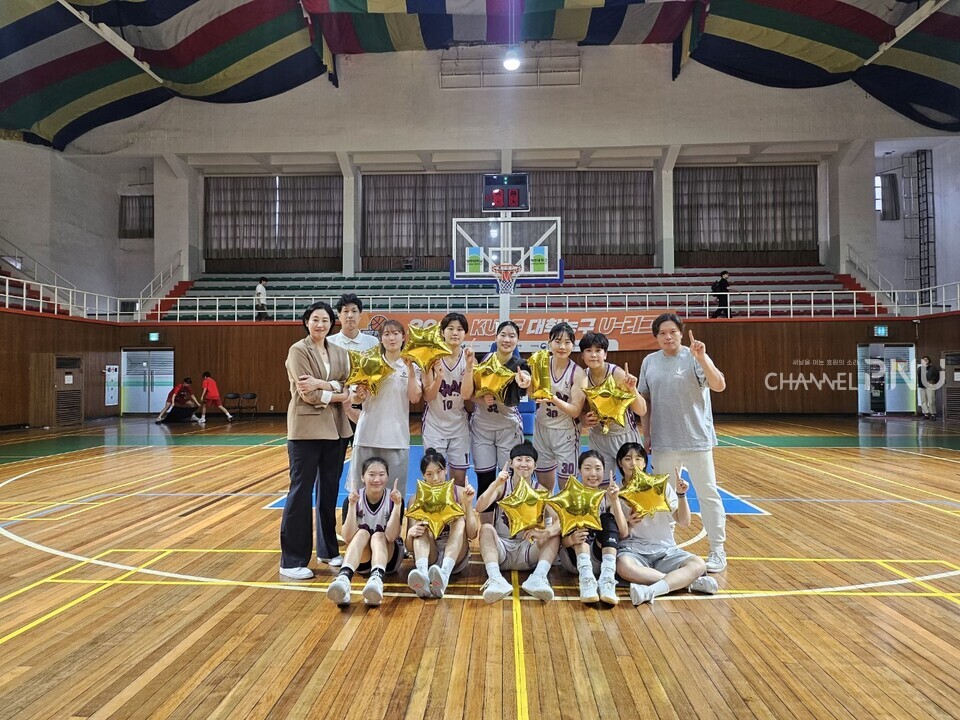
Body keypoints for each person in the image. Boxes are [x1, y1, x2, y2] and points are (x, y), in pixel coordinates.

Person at [638, 313, 728, 573]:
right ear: (656, 337)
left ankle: (717, 549)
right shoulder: (650, 362)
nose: (668, 336)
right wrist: (647, 435)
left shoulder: (695, 356)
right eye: (662, 333)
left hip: (695, 439)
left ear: (681, 333)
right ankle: (668, 547)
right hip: (664, 441)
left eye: (673, 332)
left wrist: (703, 358)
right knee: (664, 498)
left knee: (708, 494)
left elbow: (719, 385)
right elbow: (646, 401)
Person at [279, 301, 353, 581]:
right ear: (306, 322)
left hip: (336, 430)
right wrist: (336, 391)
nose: (320, 324)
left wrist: (325, 386)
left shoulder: (339, 351)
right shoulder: (298, 350)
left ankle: (327, 549)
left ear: (331, 323)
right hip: (306, 432)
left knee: (329, 492)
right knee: (300, 493)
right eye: (315, 319)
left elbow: (348, 385)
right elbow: (306, 393)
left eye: (325, 320)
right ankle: (292, 559)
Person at [614, 442, 719, 605]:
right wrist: (629, 524)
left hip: (665, 549)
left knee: (698, 564)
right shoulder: (616, 493)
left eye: (638, 458)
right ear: (620, 463)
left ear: (645, 463)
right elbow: (620, 534)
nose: (633, 463)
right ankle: (686, 583)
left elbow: (684, 521)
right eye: (628, 459)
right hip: (633, 550)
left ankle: (650, 591)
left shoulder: (661, 487)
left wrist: (681, 494)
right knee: (622, 566)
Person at [475, 442, 561, 603]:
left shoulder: (541, 491)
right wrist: (495, 484)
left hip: (528, 550)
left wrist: (546, 532)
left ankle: (538, 577)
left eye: (528, 460)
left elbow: (561, 520)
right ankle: (495, 579)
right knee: (486, 528)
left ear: (535, 465)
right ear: (512, 463)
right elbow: (479, 507)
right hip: (502, 549)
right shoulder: (502, 487)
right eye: (519, 459)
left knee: (554, 534)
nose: (523, 464)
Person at [347, 319, 422, 496]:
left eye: (396, 333)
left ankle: (393, 525)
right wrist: (359, 392)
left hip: (396, 440)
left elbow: (414, 398)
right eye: (386, 334)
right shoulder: (369, 362)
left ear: (403, 337)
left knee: (395, 496)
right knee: (359, 495)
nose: (391, 338)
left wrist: (410, 371)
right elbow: (354, 398)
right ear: (381, 339)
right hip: (367, 437)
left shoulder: (412, 367)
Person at [326, 457, 405, 606]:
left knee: (378, 535)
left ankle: (376, 580)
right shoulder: (353, 499)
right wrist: (351, 506)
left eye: (381, 474)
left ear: (387, 477)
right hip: (362, 560)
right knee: (362, 533)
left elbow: (391, 536)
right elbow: (348, 537)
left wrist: (397, 506)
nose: (377, 479)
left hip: (389, 558)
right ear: (362, 477)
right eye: (371, 474)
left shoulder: (394, 498)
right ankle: (344, 580)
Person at [554, 450, 626, 605]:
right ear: (579, 471)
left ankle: (607, 580)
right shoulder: (570, 496)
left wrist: (615, 501)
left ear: (604, 471)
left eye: (598, 469)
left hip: (600, 558)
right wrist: (572, 539)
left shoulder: (607, 497)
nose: (593, 473)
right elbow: (561, 541)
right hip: (574, 560)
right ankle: (586, 580)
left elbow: (623, 532)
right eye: (587, 468)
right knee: (580, 521)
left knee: (607, 519)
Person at [405, 448, 478, 599]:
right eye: (429, 474)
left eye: (439, 471)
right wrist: (411, 534)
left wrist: (468, 505)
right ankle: (423, 576)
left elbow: (472, 534)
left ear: (446, 470)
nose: (435, 478)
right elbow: (409, 547)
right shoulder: (416, 500)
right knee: (420, 526)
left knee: (458, 520)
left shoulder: (459, 493)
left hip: (456, 559)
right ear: (423, 476)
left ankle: (444, 574)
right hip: (430, 556)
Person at [471, 320, 531, 500]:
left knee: (510, 478)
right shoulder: (484, 361)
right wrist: (481, 398)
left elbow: (525, 378)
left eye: (512, 336)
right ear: (496, 338)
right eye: (503, 335)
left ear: (517, 340)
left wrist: (524, 380)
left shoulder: (521, 364)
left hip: (508, 428)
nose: (506, 339)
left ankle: (508, 522)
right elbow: (470, 393)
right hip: (482, 428)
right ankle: (487, 524)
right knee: (485, 478)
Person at [578, 331, 647, 475]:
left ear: (605, 354)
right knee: (599, 482)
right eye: (588, 351)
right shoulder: (582, 377)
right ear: (582, 355)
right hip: (598, 436)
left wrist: (632, 389)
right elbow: (581, 411)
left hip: (624, 436)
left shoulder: (618, 374)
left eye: (598, 350)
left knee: (633, 482)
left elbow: (641, 411)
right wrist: (585, 419)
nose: (593, 355)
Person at [421, 313, 475, 485]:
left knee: (458, 479)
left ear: (465, 333)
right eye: (450, 328)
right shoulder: (431, 359)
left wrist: (469, 368)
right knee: (434, 478)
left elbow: (466, 395)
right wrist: (438, 378)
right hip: (434, 426)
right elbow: (428, 396)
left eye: (459, 329)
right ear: (442, 332)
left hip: (459, 426)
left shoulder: (469, 359)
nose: (455, 333)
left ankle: (456, 512)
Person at [533, 322, 585, 491]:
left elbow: (576, 410)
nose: (562, 346)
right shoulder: (540, 365)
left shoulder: (578, 373)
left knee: (567, 487)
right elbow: (530, 394)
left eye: (567, 342)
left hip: (566, 433)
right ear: (549, 343)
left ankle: (565, 518)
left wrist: (553, 398)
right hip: (541, 429)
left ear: (573, 346)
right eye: (557, 341)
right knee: (544, 486)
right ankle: (548, 519)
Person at [919, 355, 940, 420]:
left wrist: (933, 382)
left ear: (929, 361)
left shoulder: (933, 368)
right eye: (923, 360)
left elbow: (937, 376)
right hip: (922, 385)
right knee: (923, 400)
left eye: (926, 359)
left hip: (930, 385)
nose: (924, 361)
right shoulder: (920, 368)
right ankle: (926, 414)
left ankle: (933, 414)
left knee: (931, 400)